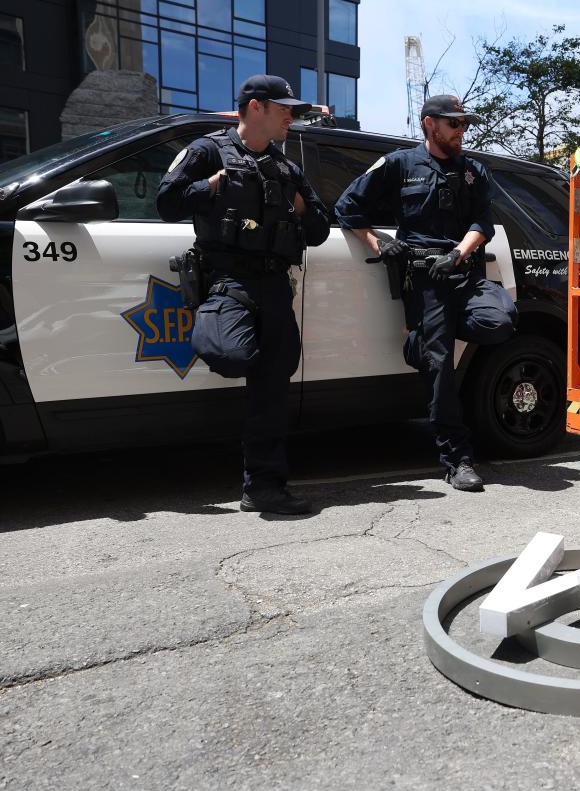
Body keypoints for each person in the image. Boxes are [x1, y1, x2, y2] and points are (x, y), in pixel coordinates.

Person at [156, 74, 331, 515]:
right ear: (256, 108)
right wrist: (210, 187)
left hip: (272, 284)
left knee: (273, 389)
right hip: (226, 280)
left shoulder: (287, 168)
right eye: (284, 108)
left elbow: (320, 230)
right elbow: (167, 202)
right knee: (231, 354)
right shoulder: (207, 150)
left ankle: (264, 486)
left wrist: (298, 206)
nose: (291, 116)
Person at [334, 94, 518, 491]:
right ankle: (458, 459)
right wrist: (379, 244)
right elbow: (348, 206)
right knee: (439, 365)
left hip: (461, 269)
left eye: (464, 124)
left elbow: (482, 221)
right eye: (454, 124)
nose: (461, 130)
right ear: (429, 124)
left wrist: (457, 254)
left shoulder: (474, 170)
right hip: (424, 277)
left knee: (500, 319)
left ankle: (420, 340)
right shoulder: (400, 164)